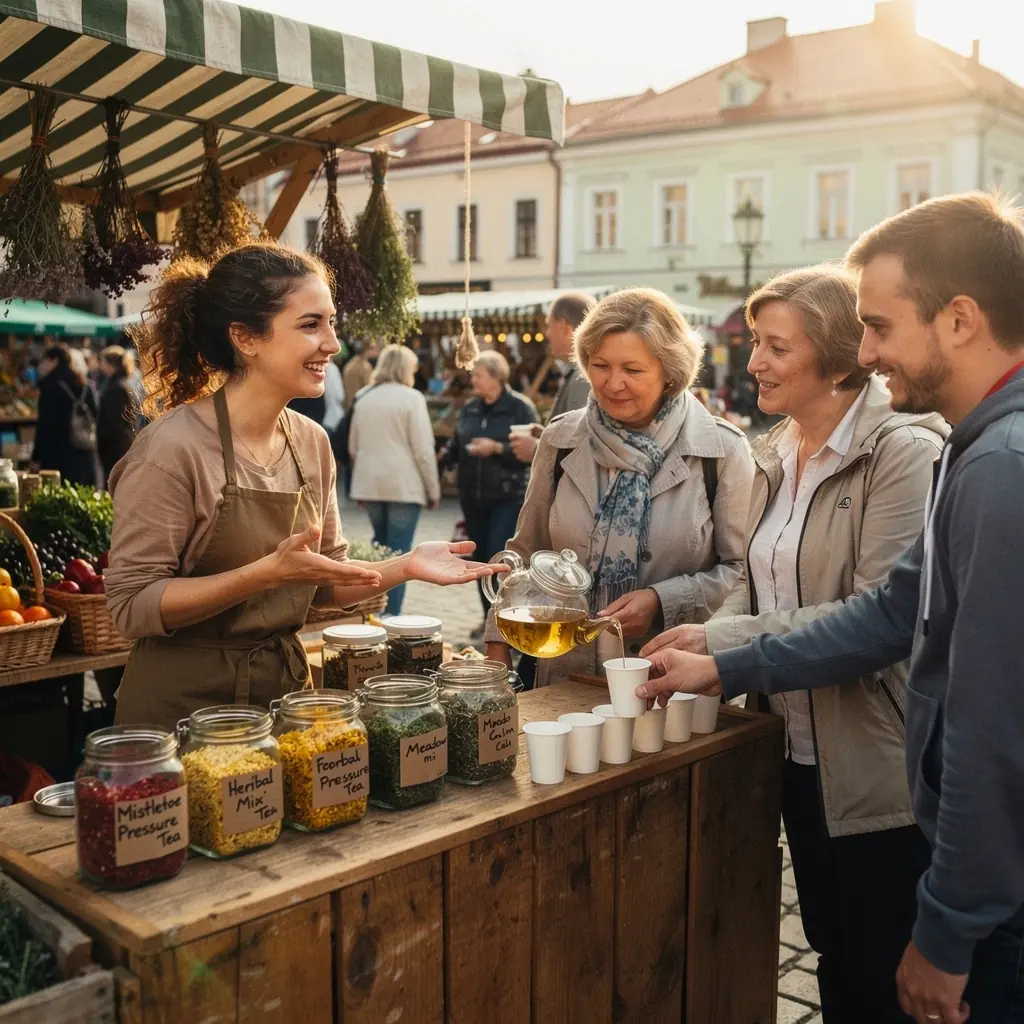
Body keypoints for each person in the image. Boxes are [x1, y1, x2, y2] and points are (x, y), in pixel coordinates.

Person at [636, 193, 1024, 1024]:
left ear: (959, 318)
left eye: (880, 325)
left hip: (963, 866)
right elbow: (893, 610)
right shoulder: (977, 448)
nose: (869, 348)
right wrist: (729, 655)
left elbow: (989, 726)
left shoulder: (991, 465)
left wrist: (947, 932)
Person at [105, 243, 502, 730]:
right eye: (311, 325)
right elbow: (131, 606)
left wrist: (405, 566)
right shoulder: (170, 449)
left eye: (331, 322)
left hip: (285, 702)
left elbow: (324, 583)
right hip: (180, 714)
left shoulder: (311, 442)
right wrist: (264, 574)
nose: (333, 343)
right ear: (246, 338)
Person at [485, 287, 754, 684]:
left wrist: (664, 601)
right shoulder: (560, 440)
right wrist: (496, 653)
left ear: (669, 372)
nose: (613, 384)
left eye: (633, 370)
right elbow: (525, 552)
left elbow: (745, 573)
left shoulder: (721, 451)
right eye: (600, 365)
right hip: (566, 677)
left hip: (669, 681)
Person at [440, 351, 539, 634]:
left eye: (478, 375)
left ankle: (509, 620)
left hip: (507, 497)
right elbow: (459, 441)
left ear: (495, 377)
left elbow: (535, 452)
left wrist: (496, 449)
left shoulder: (520, 408)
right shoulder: (471, 407)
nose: (472, 380)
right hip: (474, 499)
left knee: (501, 559)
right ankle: (490, 620)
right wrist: (445, 456)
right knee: (481, 562)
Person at [348, 344, 441, 616]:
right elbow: (423, 450)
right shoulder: (412, 398)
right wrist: (433, 489)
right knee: (400, 557)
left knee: (380, 552)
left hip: (370, 484)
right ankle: (393, 614)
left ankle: (375, 610)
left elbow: (353, 447)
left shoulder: (363, 396)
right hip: (404, 486)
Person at [509, 291, 596, 464]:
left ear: (563, 326)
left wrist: (536, 449)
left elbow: (581, 449)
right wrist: (547, 435)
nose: (547, 334)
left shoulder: (583, 376)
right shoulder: (583, 372)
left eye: (549, 325)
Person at [31, 344, 98, 487]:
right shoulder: (83, 382)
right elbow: (96, 413)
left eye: (43, 361)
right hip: (84, 451)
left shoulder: (50, 385)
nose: (41, 366)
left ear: (54, 360)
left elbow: (45, 425)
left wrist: (36, 457)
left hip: (58, 455)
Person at [96, 345, 140, 485]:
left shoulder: (116, 388)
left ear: (111, 364)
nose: (100, 366)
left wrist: (100, 435)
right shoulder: (119, 384)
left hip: (115, 446)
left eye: (102, 362)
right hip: (119, 443)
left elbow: (114, 421)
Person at [342, 341, 373, 414]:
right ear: (367, 350)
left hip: (349, 407)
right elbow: (369, 387)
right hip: (362, 408)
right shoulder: (365, 367)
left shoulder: (348, 366)